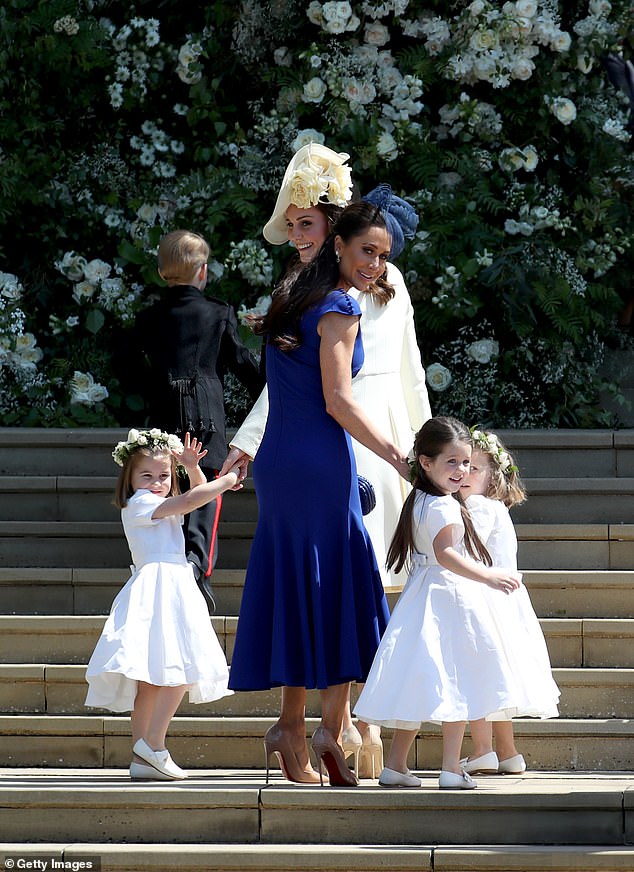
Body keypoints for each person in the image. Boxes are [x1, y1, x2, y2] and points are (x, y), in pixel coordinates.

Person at [221, 143, 431, 778]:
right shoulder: (337, 303)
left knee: (302, 584)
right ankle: (327, 732)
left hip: (291, 457)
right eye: (367, 250)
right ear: (341, 243)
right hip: (326, 453)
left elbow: (306, 387)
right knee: (339, 586)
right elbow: (339, 399)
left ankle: (297, 728)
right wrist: (402, 457)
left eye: (383, 254)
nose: (376, 264)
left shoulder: (294, 291)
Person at [354, 416, 526, 790]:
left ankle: (396, 765)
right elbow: (446, 554)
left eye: (466, 463)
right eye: (452, 462)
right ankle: (451, 767)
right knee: (458, 680)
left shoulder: (419, 497)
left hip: (422, 596)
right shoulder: (445, 505)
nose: (462, 470)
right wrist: (490, 575)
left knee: (419, 679)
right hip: (450, 596)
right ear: (426, 462)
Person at [85, 428, 242, 781]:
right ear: (130, 478)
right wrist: (227, 479)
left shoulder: (159, 503)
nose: (156, 482)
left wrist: (191, 468)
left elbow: (195, 497)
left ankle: (143, 758)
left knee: (154, 680)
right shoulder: (140, 504)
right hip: (161, 586)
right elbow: (190, 501)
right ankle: (153, 744)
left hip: (170, 584)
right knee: (181, 668)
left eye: (164, 476)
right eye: (147, 475)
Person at [132, 229, 264, 612]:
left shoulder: (149, 317)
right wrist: (274, 393)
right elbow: (242, 364)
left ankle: (173, 566)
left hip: (163, 414)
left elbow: (123, 363)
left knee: (165, 488)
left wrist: (153, 385)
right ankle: (197, 565)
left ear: (161, 272)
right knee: (205, 493)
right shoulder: (218, 312)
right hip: (207, 414)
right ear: (203, 271)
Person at [459, 428, 560, 776]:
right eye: (462, 465)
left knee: (479, 676)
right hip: (505, 603)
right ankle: (508, 752)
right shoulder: (495, 507)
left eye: (475, 468)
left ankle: (483, 748)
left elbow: (466, 552)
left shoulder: (477, 506)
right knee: (497, 680)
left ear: (493, 477)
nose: (465, 474)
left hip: (485, 600)